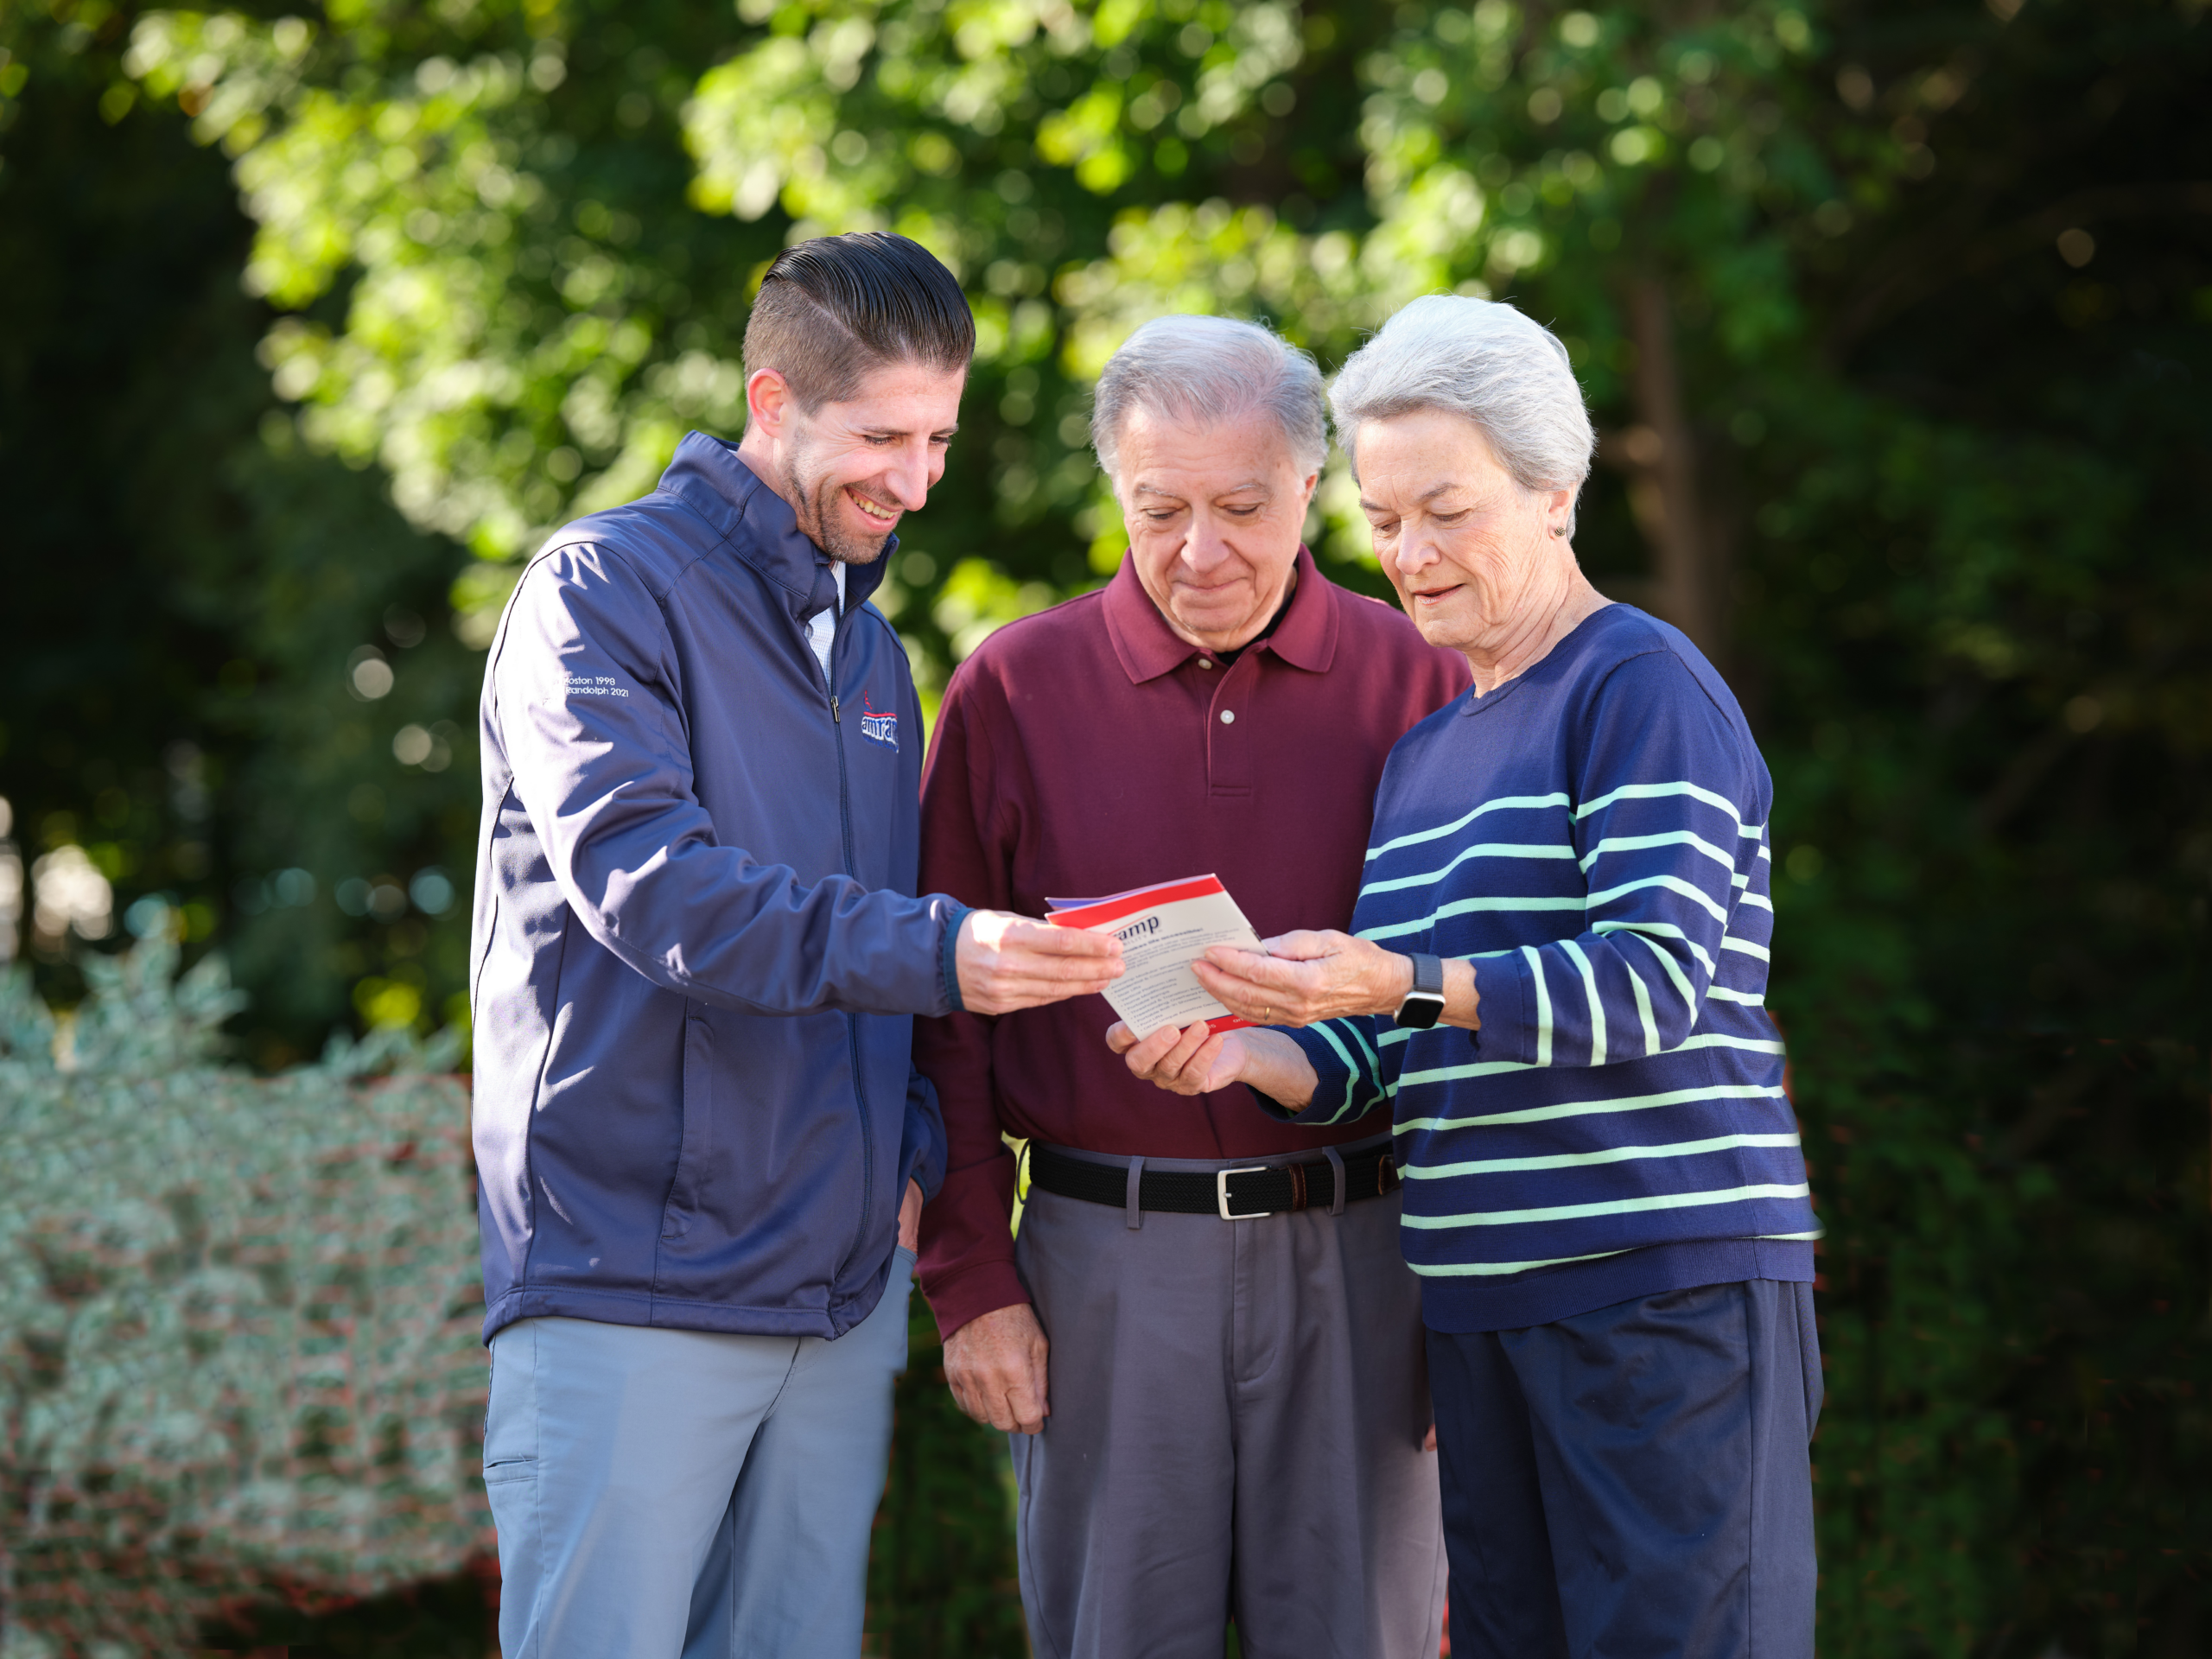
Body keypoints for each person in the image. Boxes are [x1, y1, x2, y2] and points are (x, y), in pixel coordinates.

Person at [1115, 295, 1823, 1659]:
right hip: (1484, 1305)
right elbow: (1406, 1036)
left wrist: (1391, 982)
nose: (1410, 556)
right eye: (1382, 520)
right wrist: (1250, 1053)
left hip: (1655, 1292)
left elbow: (1649, 982)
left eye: (1447, 510)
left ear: (1555, 492)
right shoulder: (1431, 754)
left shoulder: (1640, 687)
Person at [467, 232, 1122, 1659]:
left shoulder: (875, 662)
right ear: (774, 405)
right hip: (632, 1281)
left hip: (835, 1306)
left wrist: (898, 1149)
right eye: (882, 434)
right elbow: (658, 892)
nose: (918, 478)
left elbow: (877, 925)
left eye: (939, 436)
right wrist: (952, 952)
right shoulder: (599, 594)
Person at [914, 314, 1468, 1658]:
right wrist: (971, 1276)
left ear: (1309, 490)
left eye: (1241, 506)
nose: (1200, 551)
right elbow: (935, 1022)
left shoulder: (1427, 684)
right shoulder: (1011, 689)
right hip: (1103, 1263)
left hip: (1374, 1251)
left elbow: (1479, 1013)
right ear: (1117, 489)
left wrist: (1475, 1298)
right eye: (1162, 509)